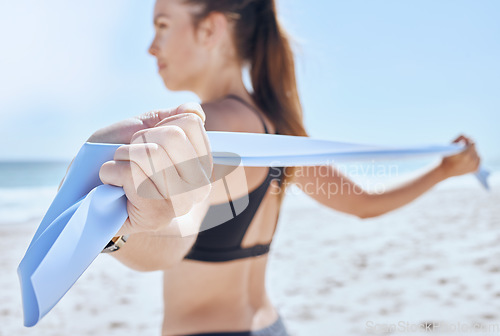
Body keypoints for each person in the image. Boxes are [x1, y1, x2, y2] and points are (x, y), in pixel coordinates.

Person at [83, 0, 482, 335]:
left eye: (163, 25)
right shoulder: (276, 128)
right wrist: (443, 172)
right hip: (270, 325)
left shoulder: (216, 127)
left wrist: (116, 230)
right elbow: (363, 204)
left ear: (210, 30)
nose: (152, 46)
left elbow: (173, 244)